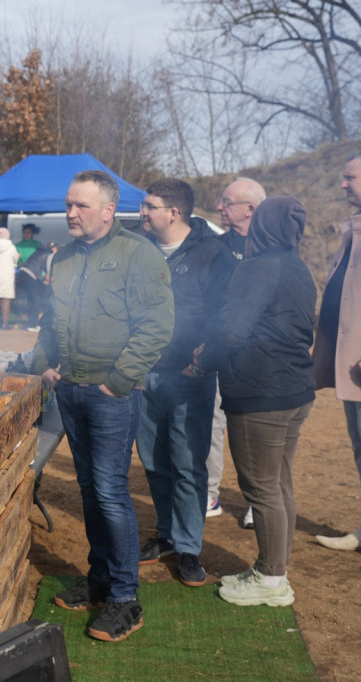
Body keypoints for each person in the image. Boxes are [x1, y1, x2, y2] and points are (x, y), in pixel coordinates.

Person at [29, 170, 174, 643]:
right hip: (70, 389)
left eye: (81, 206)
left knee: (111, 491)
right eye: (68, 204)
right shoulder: (65, 257)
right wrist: (44, 363)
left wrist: (119, 381)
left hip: (111, 394)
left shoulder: (138, 253)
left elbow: (157, 324)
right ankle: (99, 579)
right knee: (90, 488)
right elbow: (52, 318)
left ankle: (124, 600)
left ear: (109, 211)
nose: (70, 213)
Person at [194, 196, 315, 607]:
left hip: (260, 391)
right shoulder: (298, 268)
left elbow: (231, 329)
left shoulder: (258, 266)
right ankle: (272, 568)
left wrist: (202, 361)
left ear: (261, 225)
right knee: (279, 483)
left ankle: (271, 578)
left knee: (261, 488)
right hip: (295, 390)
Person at [133, 179, 236, 588]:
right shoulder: (139, 250)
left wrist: (204, 359)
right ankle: (166, 536)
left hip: (188, 375)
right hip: (143, 373)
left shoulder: (214, 253)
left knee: (188, 464)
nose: (142, 213)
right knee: (155, 462)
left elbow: (225, 312)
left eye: (149, 206)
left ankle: (190, 548)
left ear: (173, 213)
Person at [208, 178, 267, 526]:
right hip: (220, 348)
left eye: (227, 202)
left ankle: (255, 502)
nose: (219, 207)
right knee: (213, 422)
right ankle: (209, 492)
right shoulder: (217, 246)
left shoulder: (272, 247)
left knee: (254, 429)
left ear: (251, 208)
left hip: (258, 355)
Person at [313, 155, 361, 551]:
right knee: (359, 446)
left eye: (350, 177)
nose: (343, 185)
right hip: (351, 366)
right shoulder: (353, 231)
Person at [15, 242, 57, 332]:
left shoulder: (39, 252)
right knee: (38, 298)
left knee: (33, 298)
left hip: (22, 273)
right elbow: (50, 270)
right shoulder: (50, 255)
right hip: (29, 274)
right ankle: (32, 324)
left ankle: (33, 323)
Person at [0, 226, 20, 329]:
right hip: (7, 275)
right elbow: (16, 259)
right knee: (6, 300)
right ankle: (5, 323)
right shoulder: (11, 247)